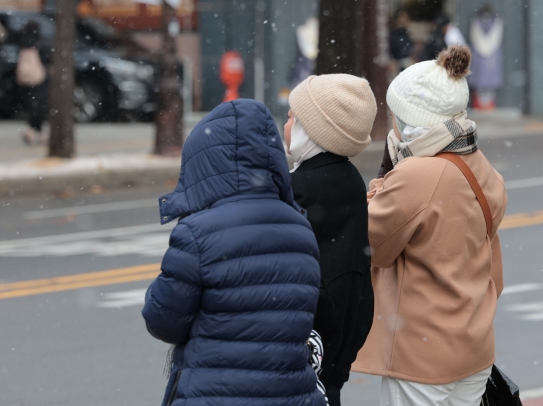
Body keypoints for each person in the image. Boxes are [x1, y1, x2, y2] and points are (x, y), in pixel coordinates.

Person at [142, 99, 327, 406]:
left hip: (215, 395)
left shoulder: (196, 233)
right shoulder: (300, 227)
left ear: (204, 162)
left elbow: (163, 320)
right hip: (291, 395)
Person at [352, 45, 508, 405]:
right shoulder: (476, 161)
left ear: (408, 121)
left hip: (424, 354)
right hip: (473, 343)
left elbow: (372, 242)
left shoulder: (420, 173)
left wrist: (384, 177)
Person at [284, 74, 376, 406]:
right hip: (333, 355)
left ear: (313, 130)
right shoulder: (348, 179)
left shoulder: (303, 190)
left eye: (293, 117)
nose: (287, 123)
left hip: (305, 356)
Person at [16, 21, 49, 145]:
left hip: (27, 78)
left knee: (34, 105)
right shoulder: (37, 42)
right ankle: (34, 131)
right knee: (39, 106)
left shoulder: (21, 42)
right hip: (38, 76)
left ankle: (34, 132)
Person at [388, 10, 414, 74]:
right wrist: (391, 61)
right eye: (402, 18)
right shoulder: (393, 34)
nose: (403, 21)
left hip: (405, 62)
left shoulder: (406, 33)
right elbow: (390, 49)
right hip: (396, 63)